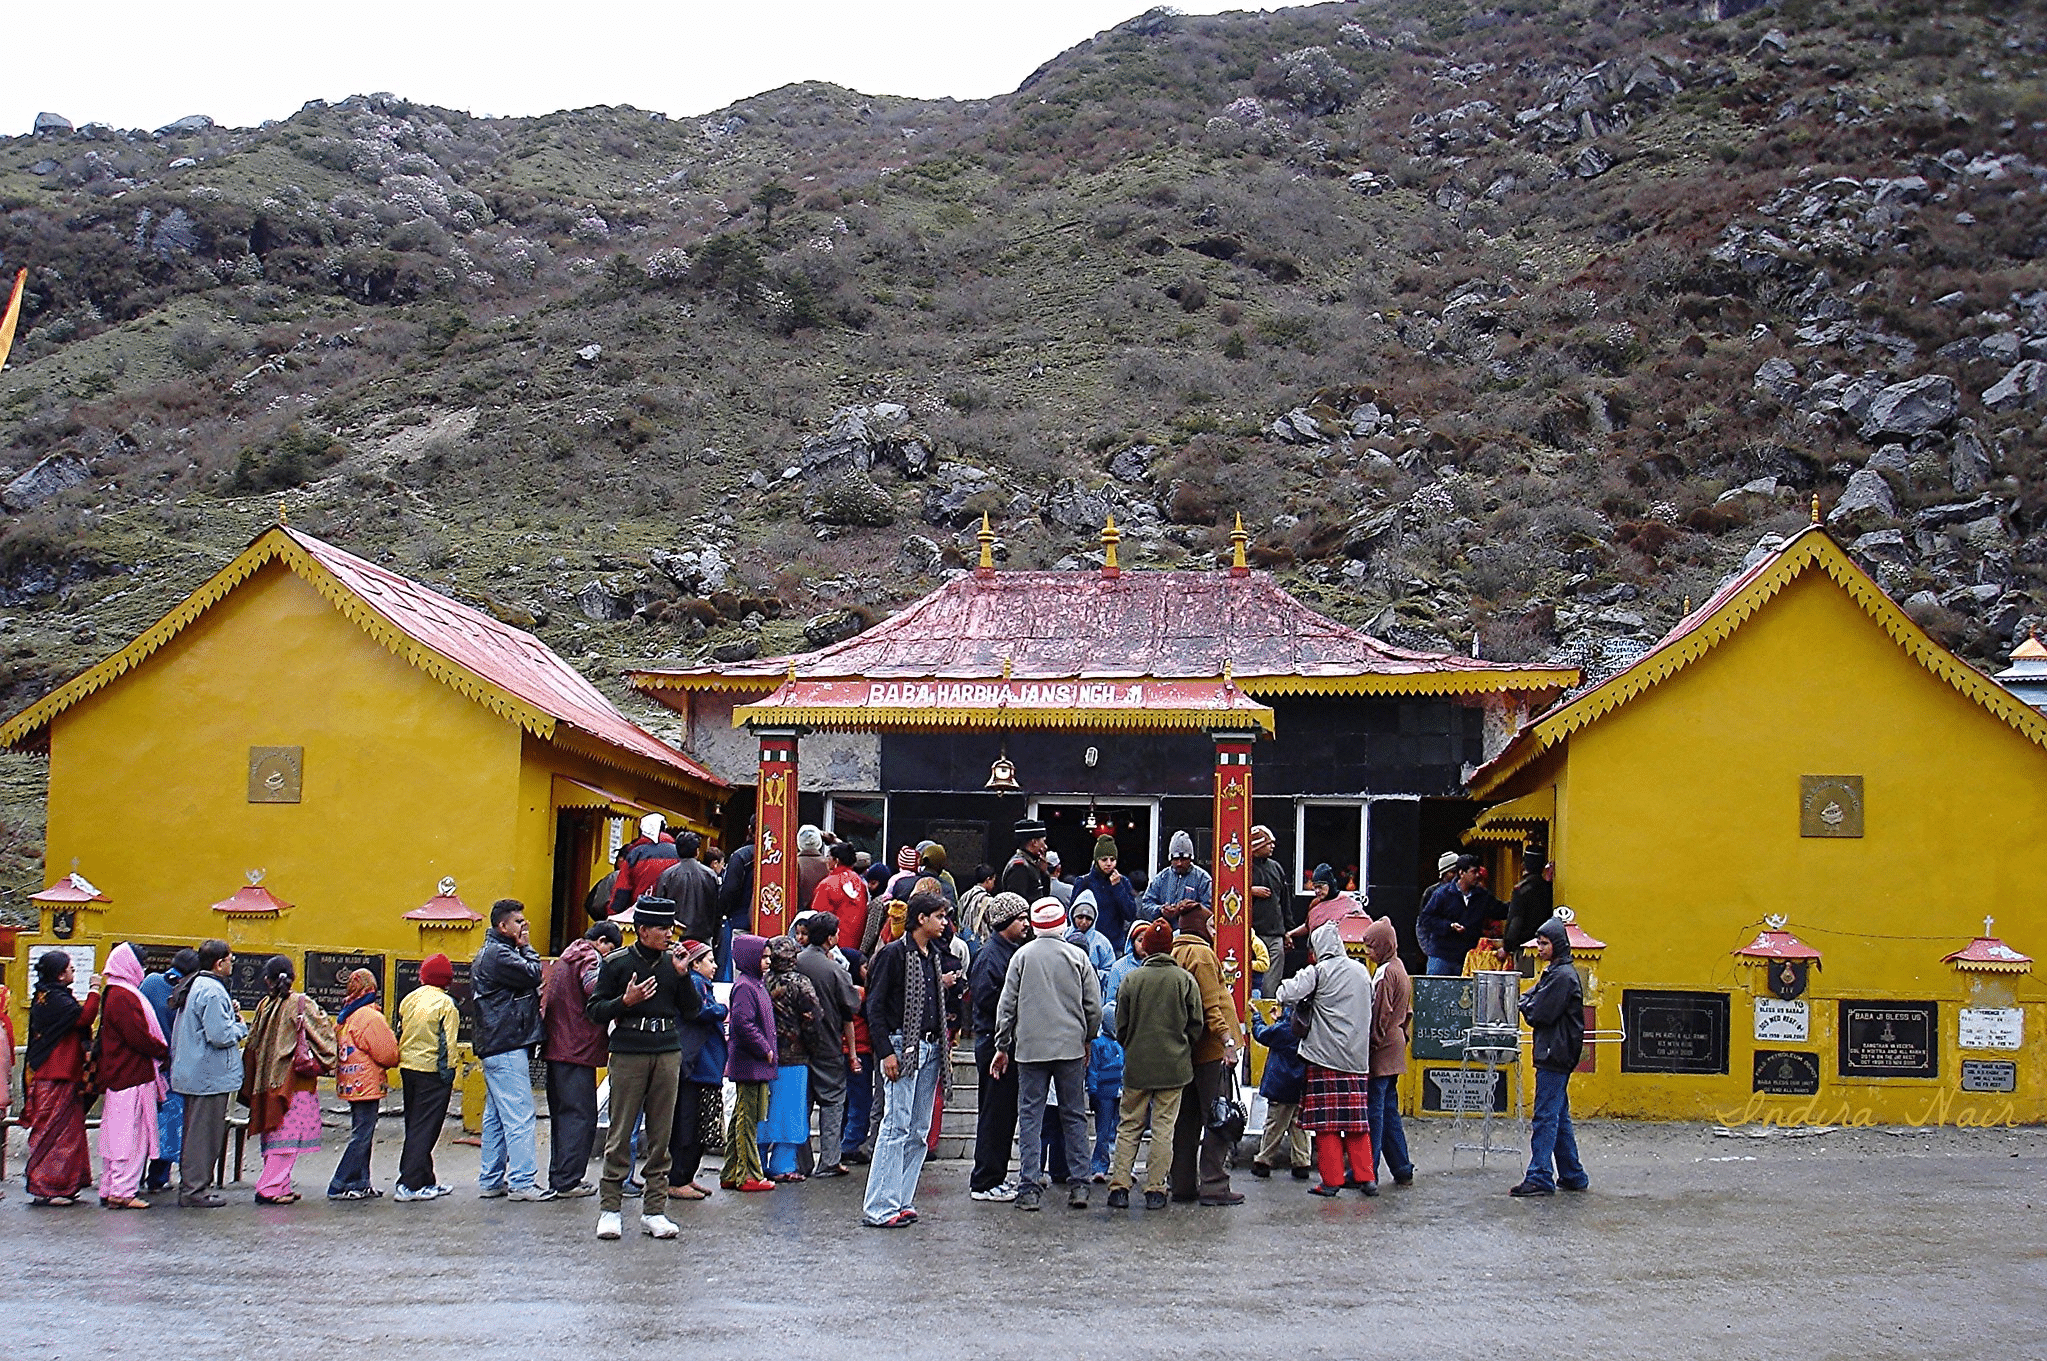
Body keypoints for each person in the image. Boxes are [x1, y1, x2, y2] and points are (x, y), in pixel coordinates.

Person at [586, 896, 701, 1239]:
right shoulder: (618, 963)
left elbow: (692, 1011)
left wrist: (683, 977)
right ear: (643, 930)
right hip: (629, 1050)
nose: (669, 934)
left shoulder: (674, 963)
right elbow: (594, 1010)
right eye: (663, 928)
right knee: (621, 1132)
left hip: (667, 1049)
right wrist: (626, 1001)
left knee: (661, 1134)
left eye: (671, 928)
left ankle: (654, 1210)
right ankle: (610, 1208)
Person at [992, 896, 1104, 1211]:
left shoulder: (1021, 957)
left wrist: (1003, 1046)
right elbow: (1093, 1006)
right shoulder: (1077, 956)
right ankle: (1079, 1184)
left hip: (1029, 1049)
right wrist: (1088, 1037)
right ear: (1062, 923)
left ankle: (1029, 1186)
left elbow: (1007, 1006)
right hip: (1069, 1047)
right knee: (1074, 1115)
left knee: (1030, 1116)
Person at [860, 891, 957, 1227]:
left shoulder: (933, 956)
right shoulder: (893, 954)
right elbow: (873, 1006)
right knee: (895, 1125)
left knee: (918, 1128)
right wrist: (885, 1050)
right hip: (903, 1044)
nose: (944, 923)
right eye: (939, 916)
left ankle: (901, 1197)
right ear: (921, 919)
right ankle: (878, 1206)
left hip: (931, 1047)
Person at [1105, 919, 1203, 1211]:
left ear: (1145, 947)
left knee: (1129, 1125)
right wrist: (1183, 1045)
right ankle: (1156, 1189)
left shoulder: (1132, 980)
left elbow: (1119, 1024)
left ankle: (1120, 1185)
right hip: (1174, 1066)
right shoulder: (1184, 980)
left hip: (1137, 1063)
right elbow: (1196, 1024)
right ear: (1170, 947)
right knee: (1163, 1127)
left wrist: (1130, 1044)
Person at [1278, 922, 1377, 1197]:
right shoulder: (1361, 971)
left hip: (1325, 1058)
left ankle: (1331, 1181)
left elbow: (1286, 993)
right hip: (1357, 1059)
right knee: (1357, 1123)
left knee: (1327, 1124)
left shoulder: (1318, 972)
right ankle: (1366, 1178)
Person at [471, 898, 551, 1200]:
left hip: (496, 1043)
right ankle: (522, 1181)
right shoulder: (499, 955)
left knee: (496, 1116)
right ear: (502, 926)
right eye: (518, 922)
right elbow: (534, 973)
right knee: (519, 1115)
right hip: (506, 1042)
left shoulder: (493, 952)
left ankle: (491, 1179)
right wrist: (527, 946)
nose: (524, 925)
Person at [240, 955, 337, 1205]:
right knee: (288, 1137)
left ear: (266, 980)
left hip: (266, 1080)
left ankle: (281, 1184)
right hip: (294, 1082)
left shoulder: (264, 1004)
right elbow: (324, 1039)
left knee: (273, 1133)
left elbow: (252, 1041)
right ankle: (270, 1187)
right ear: (293, 978)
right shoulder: (300, 1003)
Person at [1168, 903, 1243, 1206]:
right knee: (1217, 1116)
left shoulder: (1175, 953)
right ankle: (1214, 1184)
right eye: (1210, 926)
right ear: (1199, 927)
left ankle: (1183, 1183)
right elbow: (1211, 1004)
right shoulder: (1201, 954)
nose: (1214, 931)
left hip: (1185, 1049)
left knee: (1186, 1120)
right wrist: (1227, 1041)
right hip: (1211, 1050)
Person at [541, 920, 621, 1198]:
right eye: (609, 949)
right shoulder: (589, 957)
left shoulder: (565, 958)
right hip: (578, 1049)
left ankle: (560, 1175)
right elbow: (595, 988)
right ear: (600, 942)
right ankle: (569, 1181)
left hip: (557, 1047)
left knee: (562, 1117)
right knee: (580, 1117)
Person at [1511, 915, 1589, 1197]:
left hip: (1554, 1052)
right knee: (1558, 1114)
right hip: (1558, 1051)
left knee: (1546, 1116)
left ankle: (1540, 1175)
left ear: (1556, 945)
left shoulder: (1561, 977)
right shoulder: (1558, 973)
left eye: (1544, 944)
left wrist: (1526, 1005)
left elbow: (1538, 1012)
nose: (1540, 948)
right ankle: (1571, 1173)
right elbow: (1533, 1001)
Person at [170, 938, 248, 1208]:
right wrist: (240, 1027)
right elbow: (220, 1034)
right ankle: (195, 1189)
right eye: (230, 960)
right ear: (219, 963)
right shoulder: (212, 991)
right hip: (208, 1074)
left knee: (195, 1133)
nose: (232, 965)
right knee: (204, 1136)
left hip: (194, 1072)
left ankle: (193, 1185)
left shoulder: (197, 985)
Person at [92, 943, 169, 1210]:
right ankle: (124, 1190)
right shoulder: (125, 996)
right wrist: (163, 1050)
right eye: (141, 963)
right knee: (132, 1136)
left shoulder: (114, 992)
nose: (143, 968)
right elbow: (137, 1036)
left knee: (116, 1134)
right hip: (132, 1074)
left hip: (120, 1074)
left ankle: (111, 1187)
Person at [967, 892, 1031, 1201]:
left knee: (1004, 1113)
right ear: (1005, 921)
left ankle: (996, 1175)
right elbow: (986, 999)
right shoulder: (991, 955)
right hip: (994, 1044)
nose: (1026, 924)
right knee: (995, 1113)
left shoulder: (1009, 951)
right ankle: (985, 1180)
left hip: (1003, 1042)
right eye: (1021, 918)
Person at [24, 949, 99, 1206]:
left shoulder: (47, 996)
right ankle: (51, 1186)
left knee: (62, 1132)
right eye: (70, 969)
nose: (73, 972)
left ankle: (64, 1184)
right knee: (57, 1134)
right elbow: (84, 1018)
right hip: (56, 1073)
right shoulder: (56, 1000)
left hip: (58, 1073)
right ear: (59, 974)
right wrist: (95, 991)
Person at [795, 911, 861, 1178]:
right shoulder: (834, 969)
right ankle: (830, 1160)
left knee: (801, 1103)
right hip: (828, 1042)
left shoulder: (796, 962)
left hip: (796, 1045)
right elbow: (851, 1005)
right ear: (831, 937)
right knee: (833, 1102)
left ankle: (801, 1162)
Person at [327, 968, 400, 1201]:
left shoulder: (347, 1016)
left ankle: (360, 1182)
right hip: (366, 1083)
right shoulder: (369, 1017)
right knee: (362, 1135)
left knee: (362, 1131)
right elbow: (388, 1054)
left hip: (350, 1082)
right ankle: (339, 1183)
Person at [394, 953, 461, 1202]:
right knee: (426, 1129)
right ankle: (409, 1184)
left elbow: (400, 1029)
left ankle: (425, 1179)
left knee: (415, 1125)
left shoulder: (409, 999)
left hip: (408, 1068)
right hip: (433, 1072)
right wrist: (449, 1074)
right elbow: (448, 1044)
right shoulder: (446, 1005)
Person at [669, 939, 727, 1201]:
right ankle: (677, 1178)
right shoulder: (693, 983)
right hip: (696, 1065)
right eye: (709, 960)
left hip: (705, 1064)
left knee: (698, 1125)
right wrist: (722, 1009)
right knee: (687, 1124)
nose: (714, 966)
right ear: (694, 963)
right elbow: (699, 1012)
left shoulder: (702, 983)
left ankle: (687, 1177)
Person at [721, 932, 779, 1193]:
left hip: (757, 1062)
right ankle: (748, 1174)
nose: (767, 962)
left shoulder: (756, 983)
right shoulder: (745, 986)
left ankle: (732, 1170)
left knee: (743, 1118)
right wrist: (764, 1048)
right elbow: (742, 1023)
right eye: (763, 957)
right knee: (747, 1119)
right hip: (750, 1062)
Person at [760, 935, 820, 1181]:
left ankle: (758, 1161)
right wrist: (813, 1045)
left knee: (764, 1112)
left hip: (764, 1055)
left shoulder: (761, 981)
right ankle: (783, 1165)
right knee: (791, 1112)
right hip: (794, 1056)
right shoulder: (800, 983)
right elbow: (813, 1017)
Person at [1363, 916, 1416, 1187]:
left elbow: (1379, 1016)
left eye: (1371, 948)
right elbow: (1406, 1012)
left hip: (1382, 1047)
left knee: (1375, 1110)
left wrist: (1370, 1044)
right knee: (1389, 1108)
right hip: (1396, 1043)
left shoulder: (1384, 973)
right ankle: (1401, 1166)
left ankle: (1367, 1169)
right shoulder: (1400, 968)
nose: (1368, 953)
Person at [139, 947, 197, 1194]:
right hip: (171, 1068)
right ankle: (158, 1177)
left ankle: (133, 1174)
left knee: (142, 1122)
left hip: (144, 1064)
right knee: (169, 1123)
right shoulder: (188, 993)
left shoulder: (151, 982)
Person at [1249, 1006, 1312, 1180]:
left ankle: (1263, 1161)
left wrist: (1257, 1017)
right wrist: (1279, 1019)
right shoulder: (1308, 1027)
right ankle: (1302, 1162)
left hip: (1281, 1085)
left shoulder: (1284, 1029)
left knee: (1274, 1125)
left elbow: (1262, 1034)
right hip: (1301, 1085)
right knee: (1299, 1126)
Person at [1418, 854, 1496, 976]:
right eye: (1474, 872)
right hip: (1441, 956)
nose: (1477, 876)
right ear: (1461, 873)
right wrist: (1449, 926)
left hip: (1467, 957)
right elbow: (1425, 920)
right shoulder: (1440, 894)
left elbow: (1500, 909)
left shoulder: (1482, 896)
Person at [1071, 835, 1141, 949]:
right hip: (1087, 942)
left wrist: (1117, 887)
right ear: (1096, 860)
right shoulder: (1084, 882)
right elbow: (1072, 915)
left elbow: (1130, 914)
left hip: (1114, 944)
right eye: (1104, 860)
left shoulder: (1122, 882)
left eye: (1112, 860)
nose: (1109, 863)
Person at [653, 831, 722, 946]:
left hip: (675, 933)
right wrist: (716, 934)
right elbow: (717, 908)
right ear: (697, 851)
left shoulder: (667, 875)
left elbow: (660, 906)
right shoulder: (710, 875)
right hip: (703, 934)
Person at [606, 812, 681, 917]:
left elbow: (622, 889)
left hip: (641, 913)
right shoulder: (678, 853)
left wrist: (613, 913)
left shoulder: (635, 854)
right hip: (671, 915)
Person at [1249, 825, 1294, 995]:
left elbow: (1284, 901)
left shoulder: (1276, 868)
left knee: (1272, 981)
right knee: (1249, 978)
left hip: (1275, 933)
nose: (1272, 846)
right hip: (1251, 935)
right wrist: (1250, 890)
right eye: (1268, 843)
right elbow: (1230, 891)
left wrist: (1287, 931)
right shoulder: (1242, 869)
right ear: (1257, 845)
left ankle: (1268, 1012)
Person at [1500, 853, 1554, 971]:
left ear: (1523, 866)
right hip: (1547, 947)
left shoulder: (1521, 890)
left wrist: (1507, 947)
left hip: (1525, 948)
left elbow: (1515, 921)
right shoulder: (1549, 889)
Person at [1143, 831, 1213, 921]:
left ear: (1191, 859)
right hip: (1165, 930)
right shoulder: (1161, 878)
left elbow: (1210, 907)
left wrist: (1188, 910)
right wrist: (1160, 910)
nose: (1179, 863)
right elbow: (1146, 903)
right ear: (1170, 859)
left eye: (1183, 859)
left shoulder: (1203, 879)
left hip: (1190, 932)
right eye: (1175, 859)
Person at [810, 841, 869, 922]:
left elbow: (818, 915)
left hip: (834, 932)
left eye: (828, 857)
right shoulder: (859, 881)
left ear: (836, 860)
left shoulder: (827, 884)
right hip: (858, 933)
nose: (826, 861)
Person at [1068, 894, 1117, 986]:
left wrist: (1092, 973)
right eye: (1080, 917)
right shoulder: (1063, 935)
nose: (1084, 922)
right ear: (1073, 916)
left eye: (1088, 918)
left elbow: (1111, 972)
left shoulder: (1102, 942)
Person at [1001, 818, 1052, 902]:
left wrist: (1044, 872)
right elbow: (1017, 904)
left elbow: (1044, 896)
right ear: (1034, 842)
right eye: (1043, 841)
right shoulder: (1019, 866)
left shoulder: (1031, 864)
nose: (1045, 847)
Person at [956, 864, 998, 943]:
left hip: (964, 940)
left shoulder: (965, 896)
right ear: (988, 879)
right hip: (981, 942)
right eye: (993, 881)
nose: (994, 884)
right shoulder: (988, 900)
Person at [795, 824, 831, 912]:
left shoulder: (794, 863)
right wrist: (833, 840)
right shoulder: (829, 864)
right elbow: (848, 855)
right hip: (823, 915)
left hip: (799, 914)